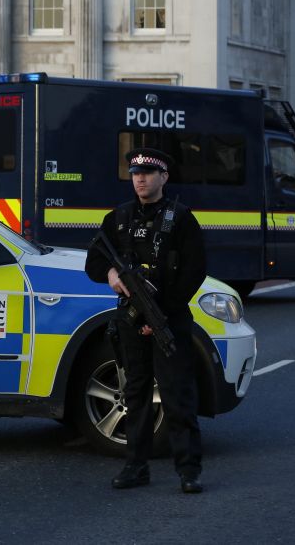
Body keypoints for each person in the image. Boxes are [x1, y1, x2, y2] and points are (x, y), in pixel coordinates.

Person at [84, 147, 207, 494]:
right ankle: (136, 466)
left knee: (177, 395)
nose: (140, 178)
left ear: (163, 177)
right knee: (135, 394)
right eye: (135, 172)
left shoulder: (181, 218)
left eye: (148, 173)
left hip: (168, 318)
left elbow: (195, 270)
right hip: (130, 320)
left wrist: (162, 312)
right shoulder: (118, 218)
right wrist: (110, 272)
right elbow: (93, 262)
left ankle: (188, 470)